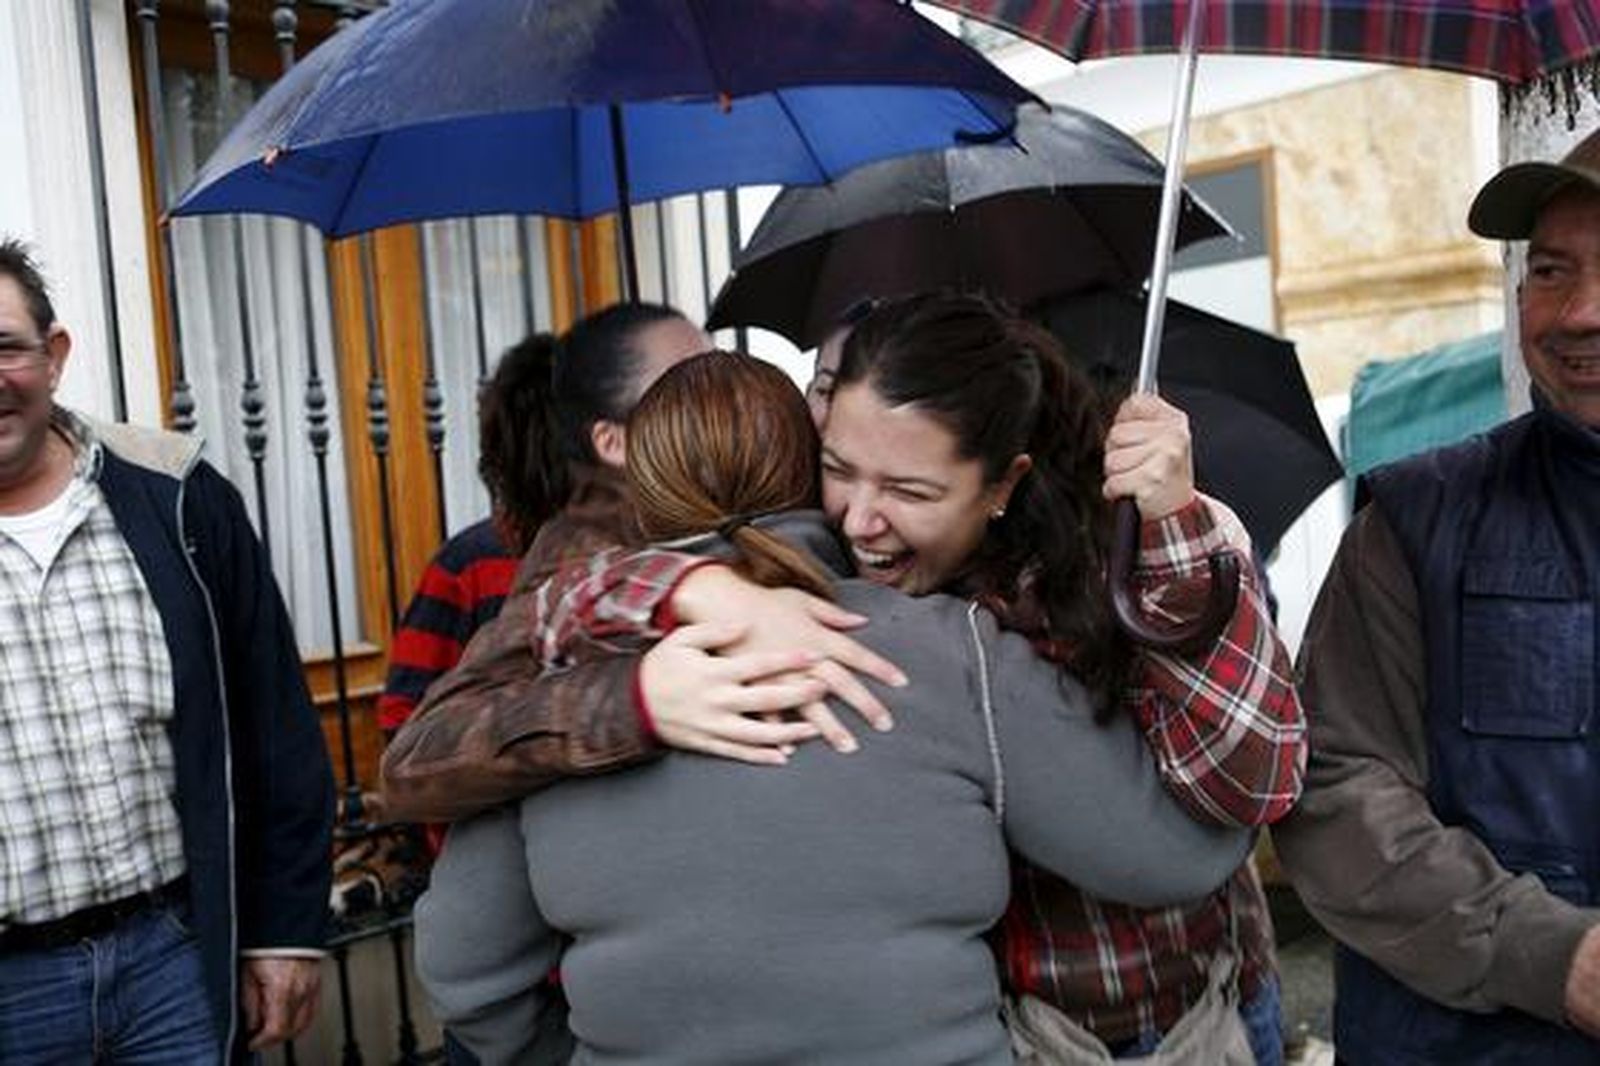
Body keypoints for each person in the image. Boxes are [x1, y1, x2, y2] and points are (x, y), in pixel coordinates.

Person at [408, 293, 1305, 1063]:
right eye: (840, 472)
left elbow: (463, 966)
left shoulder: (561, 668)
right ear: (807, 457)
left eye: (909, 491)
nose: (866, 518)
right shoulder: (947, 647)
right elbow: (1173, 850)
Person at [1273, 132, 1600, 1062]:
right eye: (1549, 271)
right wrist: (1556, 956)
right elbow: (1333, 785)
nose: (1579, 312)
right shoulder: (1417, 520)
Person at [0, 238, 335, 1062]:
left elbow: (274, 723)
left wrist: (285, 929)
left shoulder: (177, 498)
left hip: (172, 966)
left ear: (54, 354)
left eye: (4, 347)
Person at [380, 302, 904, 818]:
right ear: (613, 442)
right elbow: (413, 763)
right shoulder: (577, 554)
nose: (720, 389)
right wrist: (637, 695)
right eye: (682, 383)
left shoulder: (833, 490)